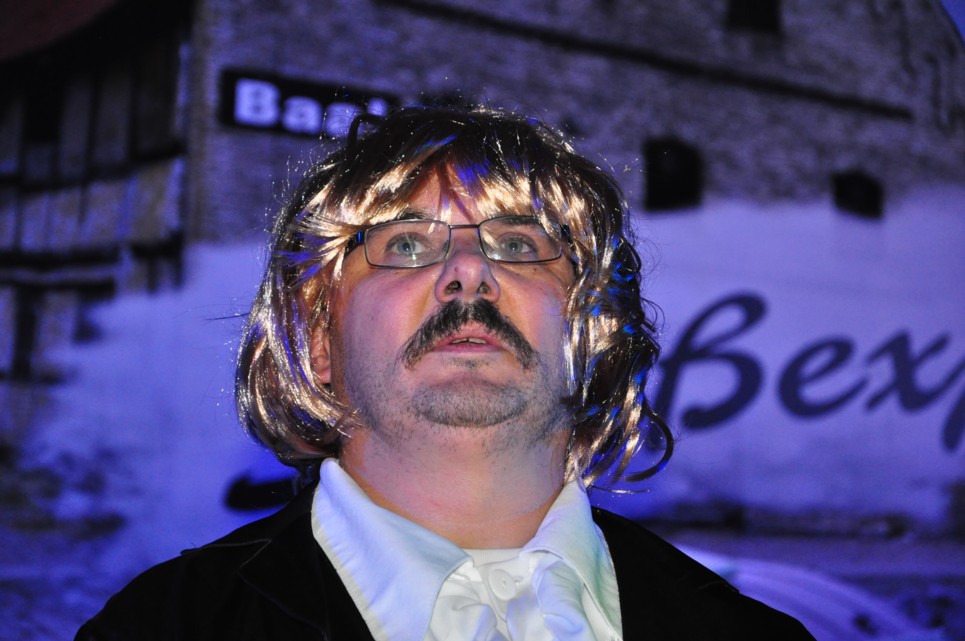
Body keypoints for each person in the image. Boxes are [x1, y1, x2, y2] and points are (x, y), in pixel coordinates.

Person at [76, 106, 814, 640]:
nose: (467, 271)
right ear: (319, 339)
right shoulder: (160, 626)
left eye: (518, 244)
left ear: (591, 333)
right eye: (404, 245)